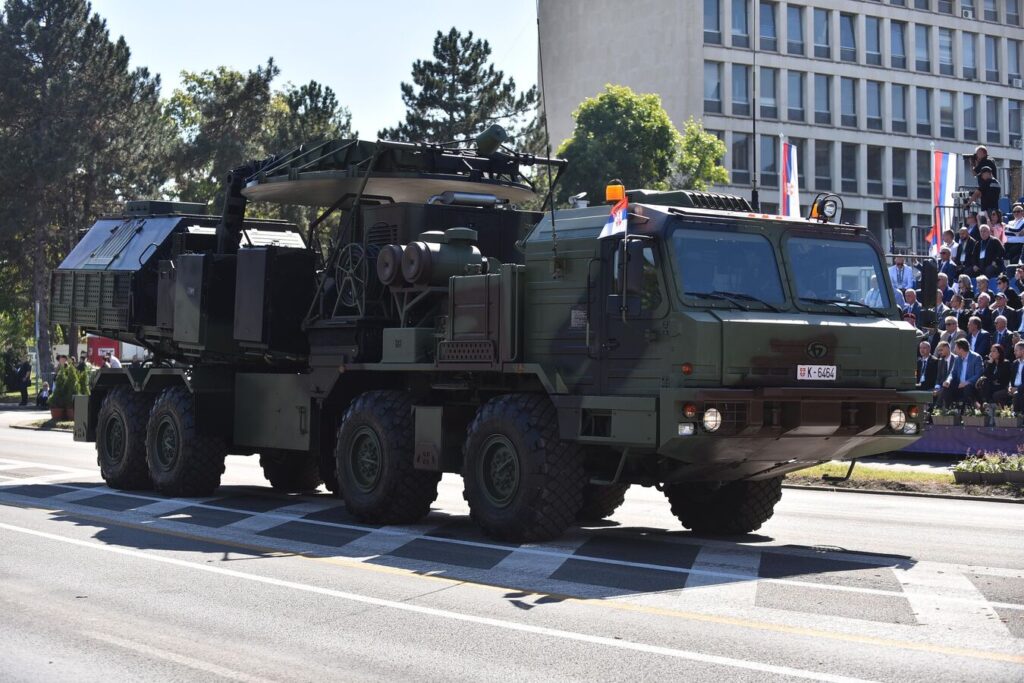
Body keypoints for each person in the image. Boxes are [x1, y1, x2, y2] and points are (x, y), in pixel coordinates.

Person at [941, 338, 985, 408]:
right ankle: (947, 410)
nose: (954, 350)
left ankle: (972, 409)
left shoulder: (976, 357)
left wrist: (966, 382)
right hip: (959, 384)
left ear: (961, 349)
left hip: (971, 385)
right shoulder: (957, 359)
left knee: (968, 389)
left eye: (956, 348)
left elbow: (979, 374)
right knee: (946, 387)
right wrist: (948, 380)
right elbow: (953, 373)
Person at [967, 146, 1002, 214]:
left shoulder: (985, 161)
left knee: (986, 212)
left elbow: (974, 173)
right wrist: (977, 164)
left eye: (978, 153)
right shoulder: (990, 160)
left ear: (984, 153)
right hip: (991, 195)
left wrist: (971, 164)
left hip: (986, 190)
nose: (976, 155)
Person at [1006, 341, 1024, 413]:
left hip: (1021, 389)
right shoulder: (1015, 363)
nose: (1014, 352)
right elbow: (1011, 378)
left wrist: (1017, 389)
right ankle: (1002, 415)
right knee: (997, 395)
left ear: (1022, 351)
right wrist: (1010, 387)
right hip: (1014, 388)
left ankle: (1018, 416)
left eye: (1016, 350)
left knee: (1017, 394)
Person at [933, 340, 952, 405]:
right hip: (942, 385)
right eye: (938, 350)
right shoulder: (940, 361)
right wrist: (937, 387)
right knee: (932, 391)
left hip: (951, 384)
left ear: (947, 348)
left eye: (941, 350)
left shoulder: (956, 359)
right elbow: (938, 377)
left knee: (943, 390)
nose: (939, 352)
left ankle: (937, 407)